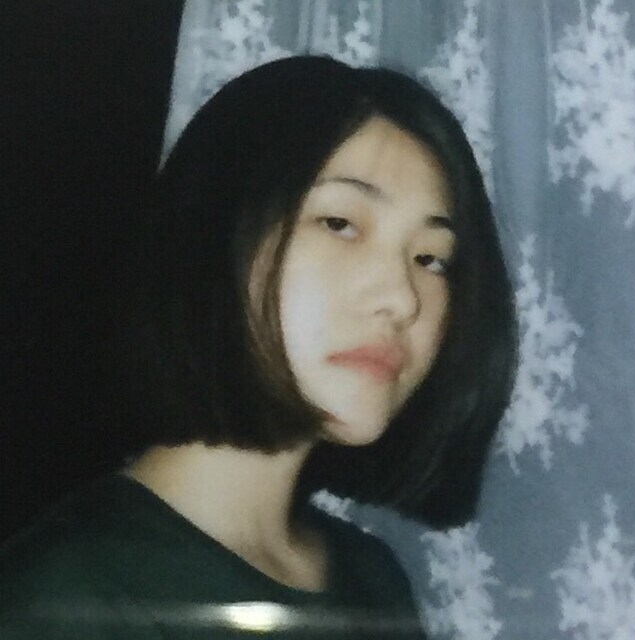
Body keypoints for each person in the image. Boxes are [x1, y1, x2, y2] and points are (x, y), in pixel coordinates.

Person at [0, 55, 517, 638]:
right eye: (340, 223)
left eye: (430, 259)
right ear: (214, 237)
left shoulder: (372, 579)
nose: (403, 298)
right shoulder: (63, 600)